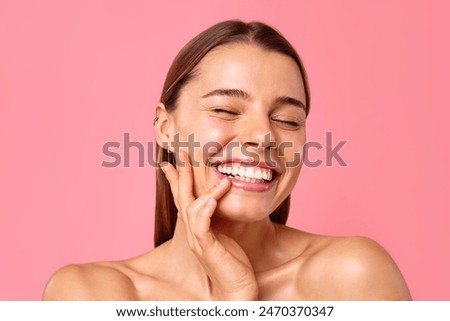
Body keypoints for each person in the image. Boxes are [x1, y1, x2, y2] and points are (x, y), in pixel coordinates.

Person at [43, 20, 411, 300]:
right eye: (225, 109)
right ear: (166, 127)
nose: (264, 136)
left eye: (287, 120)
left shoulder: (354, 276)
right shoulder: (91, 294)